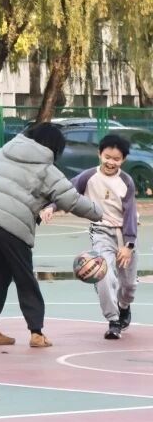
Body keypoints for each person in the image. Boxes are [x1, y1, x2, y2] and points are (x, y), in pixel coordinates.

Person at [0, 122, 99, 348]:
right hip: (11, 227)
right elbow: (71, 200)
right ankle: (36, 333)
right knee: (25, 279)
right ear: (55, 147)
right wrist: (100, 213)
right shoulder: (47, 169)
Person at [71, 134, 139, 340]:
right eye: (107, 157)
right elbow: (66, 193)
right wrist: (51, 207)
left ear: (123, 160)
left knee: (129, 285)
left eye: (116, 159)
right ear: (99, 154)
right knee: (104, 275)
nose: (111, 162)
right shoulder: (88, 177)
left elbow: (130, 214)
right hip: (101, 232)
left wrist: (128, 245)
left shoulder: (126, 181)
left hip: (125, 235)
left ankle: (124, 306)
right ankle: (113, 320)